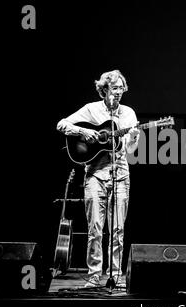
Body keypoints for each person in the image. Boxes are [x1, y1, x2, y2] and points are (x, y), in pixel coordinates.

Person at [57, 70, 140, 288]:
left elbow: (130, 150)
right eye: (115, 88)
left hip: (120, 175)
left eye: (122, 88)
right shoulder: (91, 109)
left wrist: (134, 138)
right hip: (95, 174)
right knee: (95, 227)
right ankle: (94, 275)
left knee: (118, 229)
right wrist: (83, 132)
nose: (119, 92)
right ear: (104, 90)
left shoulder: (128, 114)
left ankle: (116, 274)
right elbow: (62, 124)